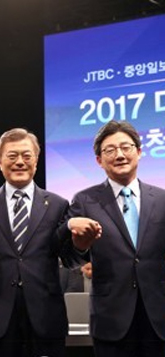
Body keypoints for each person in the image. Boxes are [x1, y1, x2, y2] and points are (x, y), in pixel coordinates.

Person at [62, 120, 165, 357]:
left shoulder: (161, 199)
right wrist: (80, 244)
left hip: (158, 319)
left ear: (139, 152)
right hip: (111, 320)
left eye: (126, 147)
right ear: (99, 160)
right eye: (110, 150)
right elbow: (69, 257)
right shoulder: (84, 200)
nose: (119, 155)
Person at [0, 128, 71, 357]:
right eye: (12, 156)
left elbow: (70, 256)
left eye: (26, 156)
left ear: (36, 159)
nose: (20, 162)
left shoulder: (58, 205)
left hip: (46, 320)